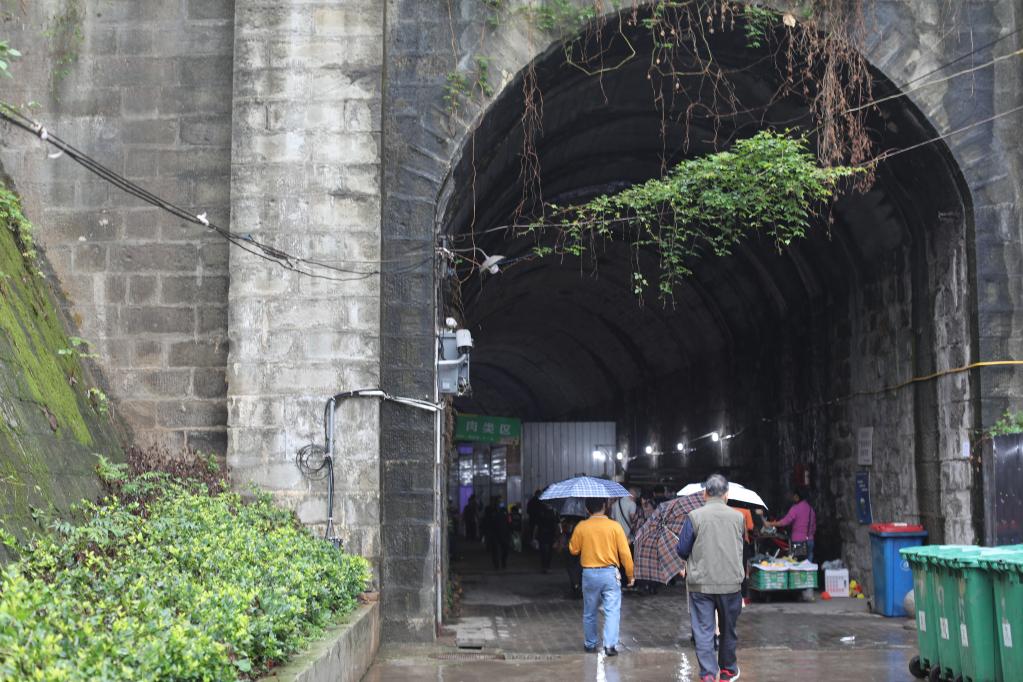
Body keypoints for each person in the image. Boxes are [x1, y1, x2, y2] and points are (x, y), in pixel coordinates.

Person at [676, 474, 745, 682]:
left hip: (701, 585)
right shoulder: (738, 517)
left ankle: (707, 674)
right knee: (728, 630)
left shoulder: (694, 516)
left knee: (704, 632)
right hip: (730, 584)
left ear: (705, 493)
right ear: (726, 495)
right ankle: (728, 671)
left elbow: (682, 550)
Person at [569, 497, 635, 656]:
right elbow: (625, 553)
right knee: (612, 611)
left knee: (589, 611)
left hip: (589, 574)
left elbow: (573, 550)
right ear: (605, 506)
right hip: (610, 574)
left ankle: (590, 644)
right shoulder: (615, 526)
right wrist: (630, 575)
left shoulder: (582, 526)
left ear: (587, 509)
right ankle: (610, 646)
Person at [762, 487, 817, 561]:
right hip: (810, 541)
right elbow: (813, 527)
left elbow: (784, 522)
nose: (792, 497)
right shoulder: (810, 509)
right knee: (809, 565)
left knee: (798, 564)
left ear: (797, 496)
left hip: (798, 541)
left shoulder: (795, 508)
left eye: (793, 495)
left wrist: (770, 523)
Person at [483, 497, 511, 569]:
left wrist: (509, 529)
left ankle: (503, 561)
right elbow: (486, 521)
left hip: (504, 532)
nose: (500, 503)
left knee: (505, 548)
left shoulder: (504, 510)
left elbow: (508, 520)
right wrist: (487, 532)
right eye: (498, 502)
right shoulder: (489, 510)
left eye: (501, 502)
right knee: (495, 549)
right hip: (494, 532)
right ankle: (496, 565)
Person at [536, 503, 560, 573]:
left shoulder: (542, 511)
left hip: (547, 533)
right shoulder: (553, 511)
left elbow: (558, 523)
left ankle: (545, 566)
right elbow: (558, 523)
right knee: (546, 550)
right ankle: (546, 566)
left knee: (546, 550)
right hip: (547, 533)